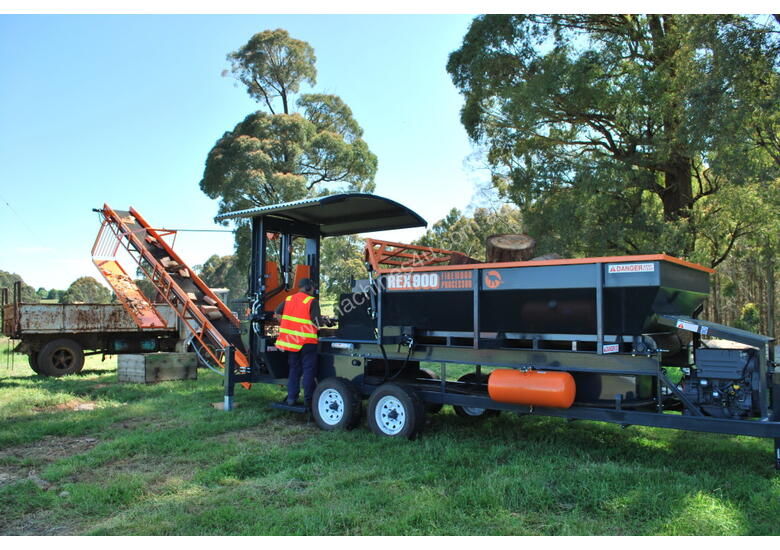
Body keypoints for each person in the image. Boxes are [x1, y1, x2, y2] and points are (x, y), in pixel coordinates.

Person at [274, 278, 326, 408]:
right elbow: (316, 322)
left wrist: (287, 325)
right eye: (313, 288)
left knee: (294, 370)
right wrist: (324, 321)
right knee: (309, 371)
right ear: (308, 288)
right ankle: (309, 401)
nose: (314, 290)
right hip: (307, 342)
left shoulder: (289, 299)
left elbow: (277, 313)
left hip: (292, 342)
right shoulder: (311, 301)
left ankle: (291, 398)